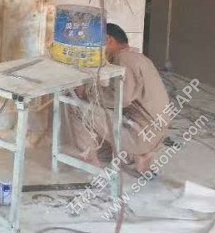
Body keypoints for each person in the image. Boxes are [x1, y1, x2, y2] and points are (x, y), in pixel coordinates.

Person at [64, 23, 170, 174]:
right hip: (156, 132)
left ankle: (90, 160)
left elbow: (122, 98)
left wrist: (87, 92)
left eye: (97, 43)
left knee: (74, 103)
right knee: (103, 115)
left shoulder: (124, 59)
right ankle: (132, 155)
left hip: (142, 134)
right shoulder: (139, 57)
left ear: (109, 39)